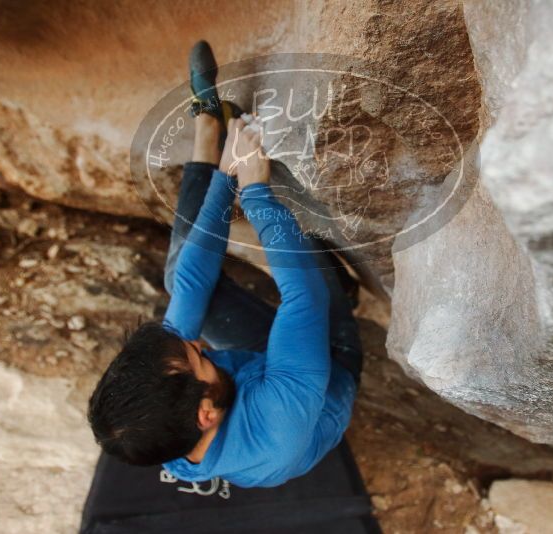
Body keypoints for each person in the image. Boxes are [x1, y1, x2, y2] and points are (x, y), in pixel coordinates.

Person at [87, 41, 363, 488]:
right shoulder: (278, 427)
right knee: (305, 255)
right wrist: (255, 191)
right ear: (206, 414)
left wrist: (226, 174)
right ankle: (342, 294)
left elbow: (193, 282)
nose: (197, 343)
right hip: (328, 357)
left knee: (180, 276)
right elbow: (301, 300)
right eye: (198, 357)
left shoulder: (167, 425)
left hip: (257, 366)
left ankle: (207, 127)